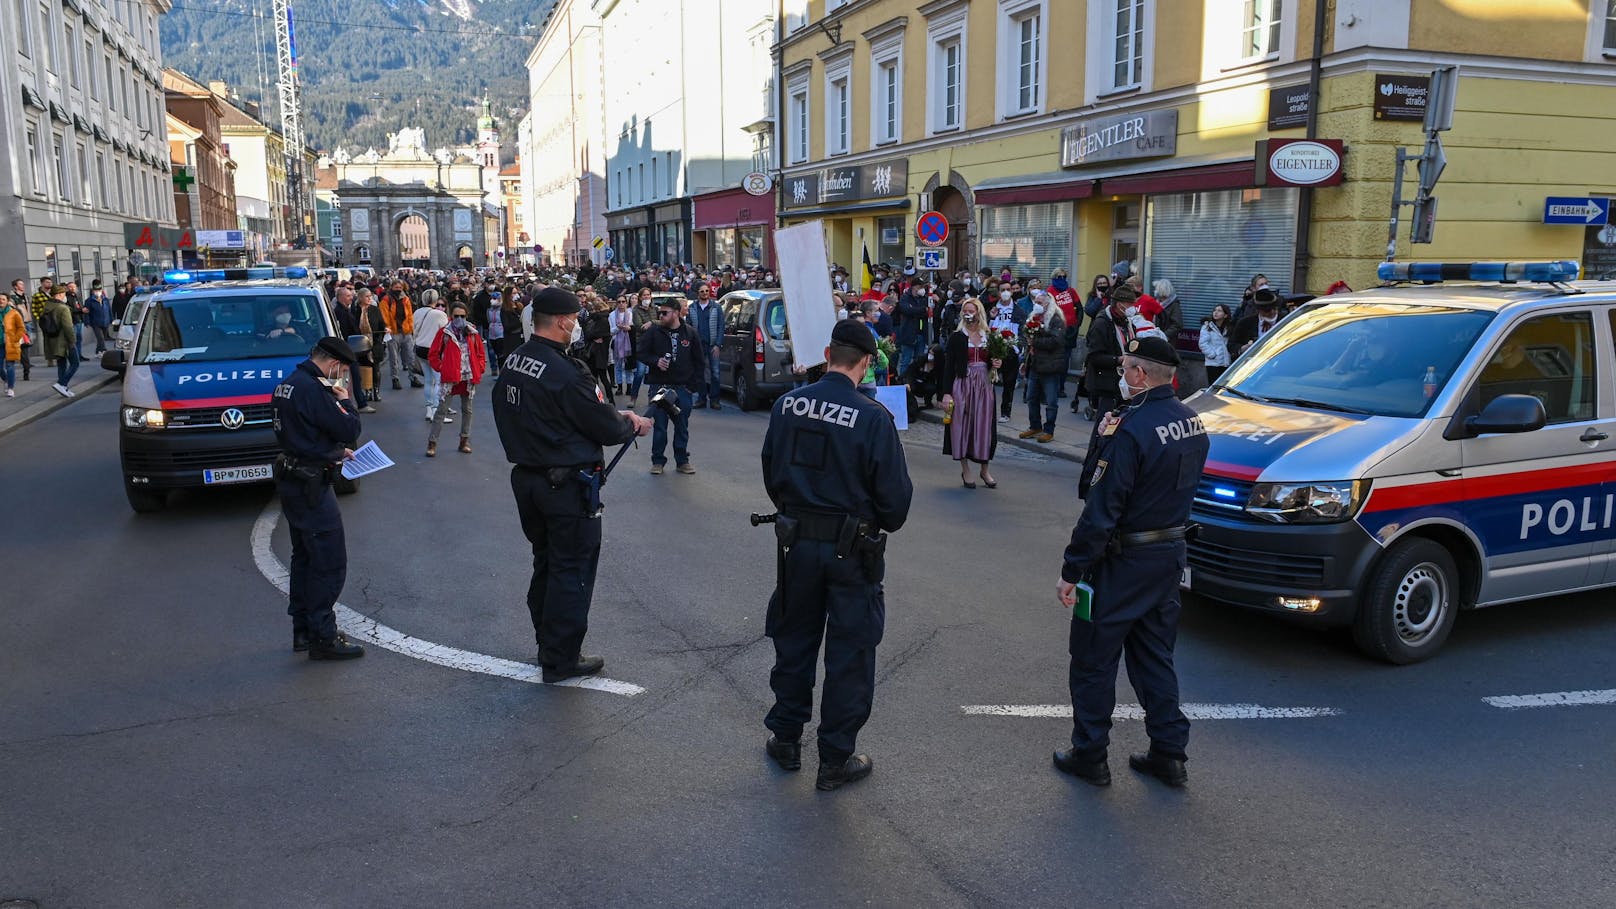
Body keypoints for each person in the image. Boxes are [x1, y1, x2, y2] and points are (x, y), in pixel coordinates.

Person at [760, 318, 913, 791]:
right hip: (853, 550)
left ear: (828, 352)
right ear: (866, 363)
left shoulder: (787, 405)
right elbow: (895, 506)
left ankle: (786, 739)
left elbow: (771, 472)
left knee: (795, 640)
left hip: (797, 543)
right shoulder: (871, 417)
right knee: (850, 652)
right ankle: (835, 758)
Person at [1053, 335, 1208, 789]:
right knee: (1154, 657)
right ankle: (1169, 753)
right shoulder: (1193, 422)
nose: (1122, 374)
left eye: (1125, 367)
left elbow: (1101, 509)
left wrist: (1072, 569)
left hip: (1123, 562)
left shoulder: (1128, 427)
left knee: (1092, 660)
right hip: (1168, 557)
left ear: (1140, 374)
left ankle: (1090, 754)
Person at [492, 287, 653, 683]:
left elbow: (561, 411)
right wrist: (628, 422)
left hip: (529, 477)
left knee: (546, 563)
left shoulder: (516, 359)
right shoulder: (566, 371)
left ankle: (548, 644)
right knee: (572, 569)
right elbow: (598, 421)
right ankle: (562, 657)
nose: (578, 325)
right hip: (564, 485)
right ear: (563, 321)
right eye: (576, 319)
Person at [270, 337, 366, 661]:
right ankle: (323, 637)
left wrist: (336, 452)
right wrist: (345, 399)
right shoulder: (314, 389)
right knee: (328, 563)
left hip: (293, 479)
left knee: (305, 559)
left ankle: (302, 629)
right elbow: (349, 427)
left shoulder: (288, 384)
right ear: (336, 365)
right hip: (311, 486)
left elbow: (304, 433)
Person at [635, 295, 706, 475]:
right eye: (659, 313)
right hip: (659, 386)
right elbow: (641, 352)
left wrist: (693, 387)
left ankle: (682, 460)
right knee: (660, 426)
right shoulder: (654, 331)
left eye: (665, 313)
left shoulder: (690, 332)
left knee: (682, 426)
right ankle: (658, 461)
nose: (661, 316)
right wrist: (655, 361)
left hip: (682, 387)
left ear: (675, 313)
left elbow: (699, 361)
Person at [940, 297, 999, 489]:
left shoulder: (989, 335)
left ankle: (984, 469)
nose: (968, 314)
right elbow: (948, 367)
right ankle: (966, 469)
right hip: (963, 384)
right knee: (961, 425)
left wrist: (998, 364)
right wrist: (946, 393)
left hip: (983, 385)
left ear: (979, 313)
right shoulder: (957, 337)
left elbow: (998, 361)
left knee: (984, 426)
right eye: (966, 310)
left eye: (972, 310)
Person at [425, 303, 486, 456]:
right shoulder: (444, 333)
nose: (459, 319)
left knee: (468, 410)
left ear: (467, 316)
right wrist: (442, 367)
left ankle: (464, 441)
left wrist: (480, 367)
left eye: (462, 316)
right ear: (451, 316)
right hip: (451, 377)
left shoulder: (472, 332)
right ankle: (432, 443)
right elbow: (433, 354)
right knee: (441, 411)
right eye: (456, 316)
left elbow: (480, 353)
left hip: (468, 377)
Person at [1017, 292, 1068, 444]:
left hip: (1050, 365)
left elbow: (1055, 341)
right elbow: (1026, 337)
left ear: (1047, 303)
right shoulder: (1033, 317)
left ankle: (1049, 430)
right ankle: (1035, 426)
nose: (1037, 304)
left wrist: (1035, 341)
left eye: (1040, 302)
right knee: (1031, 397)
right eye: (1036, 301)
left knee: (1051, 401)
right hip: (1035, 364)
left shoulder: (1055, 319)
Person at [413, 290, 450, 422]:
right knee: (438, 381)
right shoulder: (440, 314)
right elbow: (447, 332)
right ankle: (436, 410)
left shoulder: (417, 312)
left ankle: (429, 409)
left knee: (428, 380)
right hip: (434, 350)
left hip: (420, 348)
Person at [380, 281, 421, 391]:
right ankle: (395, 379)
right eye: (396, 287)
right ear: (392, 287)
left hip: (406, 331)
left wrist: (411, 328)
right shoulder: (386, 300)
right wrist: (388, 328)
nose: (398, 289)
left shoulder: (406, 299)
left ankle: (413, 377)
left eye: (400, 287)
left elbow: (410, 315)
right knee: (394, 358)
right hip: (393, 332)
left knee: (411, 356)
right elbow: (384, 316)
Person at [688, 284, 724, 409]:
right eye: (702, 291)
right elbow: (688, 326)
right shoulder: (692, 307)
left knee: (715, 373)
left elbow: (721, 327)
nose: (705, 293)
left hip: (712, 344)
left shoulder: (716, 307)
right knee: (700, 373)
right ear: (698, 293)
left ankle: (715, 400)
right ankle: (701, 399)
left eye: (707, 291)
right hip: (698, 345)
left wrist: (718, 344)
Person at [42, 289, 78, 397]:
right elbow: (68, 327)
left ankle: (64, 389)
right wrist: (72, 341)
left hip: (52, 340)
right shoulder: (63, 308)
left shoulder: (47, 307)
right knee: (75, 363)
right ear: (58, 295)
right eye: (63, 294)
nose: (64, 296)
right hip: (64, 341)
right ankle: (61, 384)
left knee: (61, 364)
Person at [1229, 287, 1283, 356]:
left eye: (1275, 308)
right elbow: (1231, 344)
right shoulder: (1245, 323)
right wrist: (1242, 348)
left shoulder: (1286, 320)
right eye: (1267, 310)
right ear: (1259, 310)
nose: (1272, 312)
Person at [1200, 304, 1233, 384]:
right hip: (1213, 363)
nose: (1216, 312)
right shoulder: (1207, 327)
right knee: (1213, 386)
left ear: (1225, 315)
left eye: (1219, 311)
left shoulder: (1228, 327)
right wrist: (1213, 355)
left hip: (1226, 363)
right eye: (1215, 310)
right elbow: (1203, 343)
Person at [0, 292, 25, 397]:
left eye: (3, 299)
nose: (1, 301)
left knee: (10, 365)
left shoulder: (13, 313)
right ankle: (6, 379)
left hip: (10, 343)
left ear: (7, 301)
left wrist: (15, 338)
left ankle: (10, 388)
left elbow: (21, 327)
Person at [7, 279, 31, 382]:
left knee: (25, 347)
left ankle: (26, 369)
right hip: (18, 326)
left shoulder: (25, 296)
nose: (23, 285)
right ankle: (22, 369)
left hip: (27, 323)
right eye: (20, 284)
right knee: (19, 348)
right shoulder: (11, 298)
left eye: (23, 283)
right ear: (15, 286)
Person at [85, 281, 113, 354]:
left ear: (101, 291)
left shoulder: (105, 299)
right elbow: (86, 312)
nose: (97, 292)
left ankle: (98, 351)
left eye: (99, 290)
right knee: (101, 338)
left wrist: (111, 319)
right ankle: (104, 351)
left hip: (105, 321)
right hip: (95, 322)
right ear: (93, 291)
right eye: (96, 291)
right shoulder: (89, 301)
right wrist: (87, 322)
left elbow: (109, 310)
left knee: (103, 338)